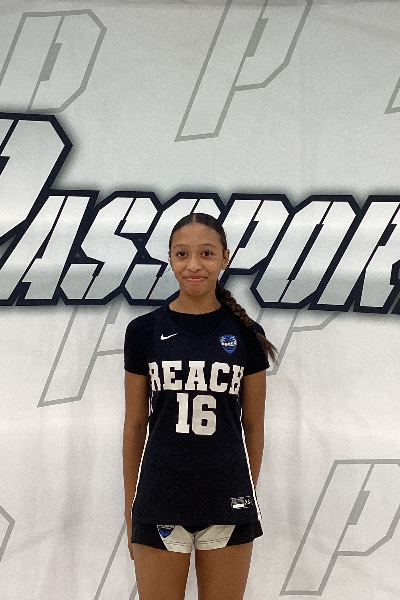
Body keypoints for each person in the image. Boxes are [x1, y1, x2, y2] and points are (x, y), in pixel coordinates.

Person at [123, 212, 276, 600]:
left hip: (228, 499)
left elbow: (254, 425)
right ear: (170, 259)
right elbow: (135, 425)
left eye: (206, 253)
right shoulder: (143, 331)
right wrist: (130, 508)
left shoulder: (246, 334)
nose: (194, 265)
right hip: (159, 499)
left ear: (225, 257)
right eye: (182, 254)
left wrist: (245, 494)